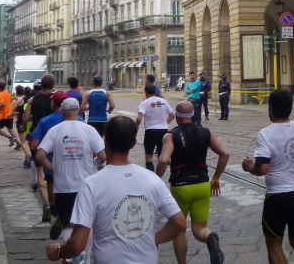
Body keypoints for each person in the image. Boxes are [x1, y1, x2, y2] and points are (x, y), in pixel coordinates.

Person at [44, 116, 186, 263]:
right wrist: (153, 239)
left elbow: (77, 245)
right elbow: (179, 223)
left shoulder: (92, 184)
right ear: (133, 143)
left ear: (105, 140)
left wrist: (59, 251)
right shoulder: (153, 179)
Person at [241, 89, 294, 264]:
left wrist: (249, 167)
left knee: (274, 244)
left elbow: (262, 169)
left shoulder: (265, 133)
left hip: (277, 196)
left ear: (271, 109)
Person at [156, 101, 229, 264]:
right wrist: (216, 178)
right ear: (192, 115)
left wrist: (155, 179)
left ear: (177, 116)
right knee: (199, 229)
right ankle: (210, 238)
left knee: (179, 229)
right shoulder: (206, 132)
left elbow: (163, 160)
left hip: (180, 187)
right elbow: (225, 153)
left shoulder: (170, 135)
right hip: (202, 184)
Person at [37, 98, 106, 256]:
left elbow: (40, 156)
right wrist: (94, 163)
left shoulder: (55, 130)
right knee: (87, 224)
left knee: (67, 224)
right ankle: (86, 256)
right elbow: (103, 156)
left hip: (63, 186)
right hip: (87, 186)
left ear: (62, 111)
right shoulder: (89, 130)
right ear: (78, 111)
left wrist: (53, 169)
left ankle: (74, 255)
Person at [31, 90, 84, 237]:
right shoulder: (79, 120)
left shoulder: (45, 121)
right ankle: (71, 221)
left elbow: (34, 145)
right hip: (73, 165)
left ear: (53, 103)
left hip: (51, 166)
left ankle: (59, 215)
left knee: (54, 201)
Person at [23, 74, 57, 222]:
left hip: (37, 137)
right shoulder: (56, 99)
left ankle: (46, 203)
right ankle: (56, 204)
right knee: (55, 170)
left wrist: (34, 116)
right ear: (53, 84)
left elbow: (25, 119)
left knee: (40, 172)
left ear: (41, 84)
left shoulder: (33, 99)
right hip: (53, 137)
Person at [135, 83, 175, 172]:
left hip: (150, 131)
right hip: (163, 131)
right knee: (162, 157)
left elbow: (139, 119)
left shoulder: (145, 103)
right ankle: (159, 176)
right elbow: (172, 115)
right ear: (155, 91)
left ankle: (151, 175)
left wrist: (136, 127)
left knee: (149, 157)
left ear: (145, 92)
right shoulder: (164, 101)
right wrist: (165, 123)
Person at [0, 81, 21, 148]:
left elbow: (3, 103)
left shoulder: (0, 95)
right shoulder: (7, 93)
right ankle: (18, 143)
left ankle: (10, 138)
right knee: (10, 129)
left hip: (3, 116)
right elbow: (10, 101)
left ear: (0, 88)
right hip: (10, 114)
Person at [12, 85, 32, 163]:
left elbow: (12, 111)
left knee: (23, 142)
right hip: (31, 122)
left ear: (24, 93)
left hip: (21, 122)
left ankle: (28, 156)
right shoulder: (33, 100)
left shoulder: (20, 101)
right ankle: (27, 158)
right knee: (29, 141)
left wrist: (19, 113)